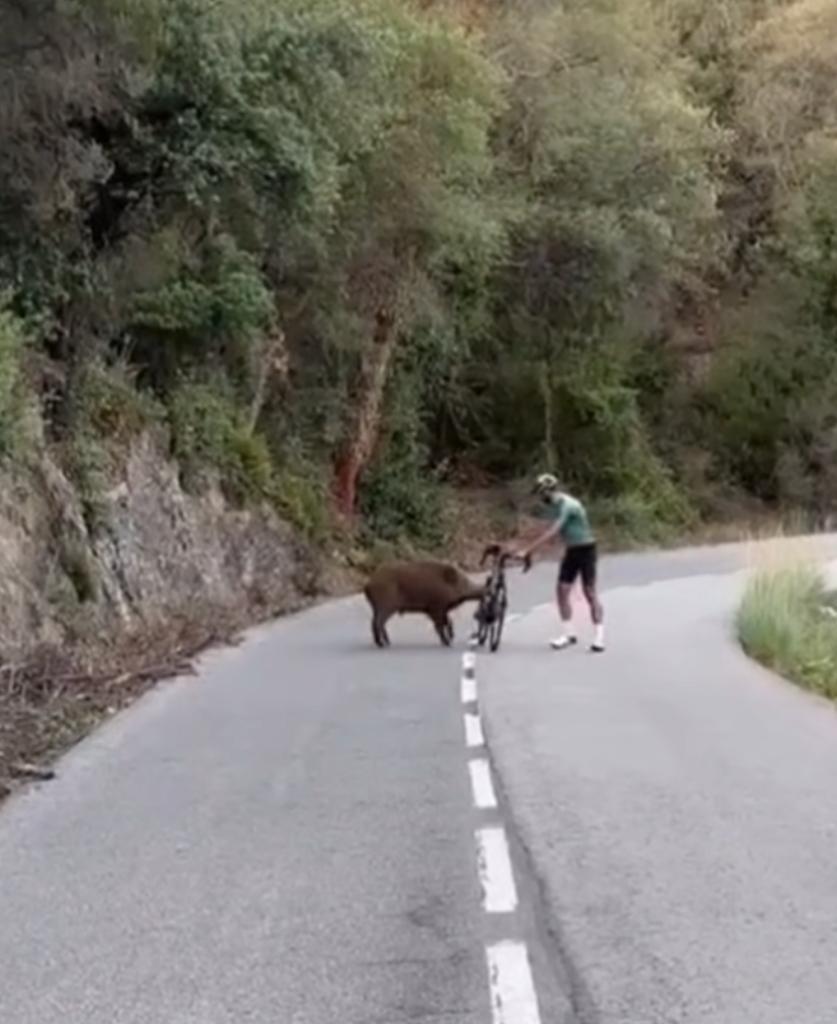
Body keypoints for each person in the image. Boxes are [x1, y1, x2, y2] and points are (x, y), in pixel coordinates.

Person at [518, 473, 605, 653]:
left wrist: (529, 549)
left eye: (541, 494)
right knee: (562, 590)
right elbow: (557, 535)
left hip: (586, 549)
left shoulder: (568, 505)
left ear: (548, 491)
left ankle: (599, 637)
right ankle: (568, 634)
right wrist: (538, 555)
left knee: (589, 592)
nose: (540, 498)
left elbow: (553, 531)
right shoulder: (553, 507)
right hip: (572, 550)